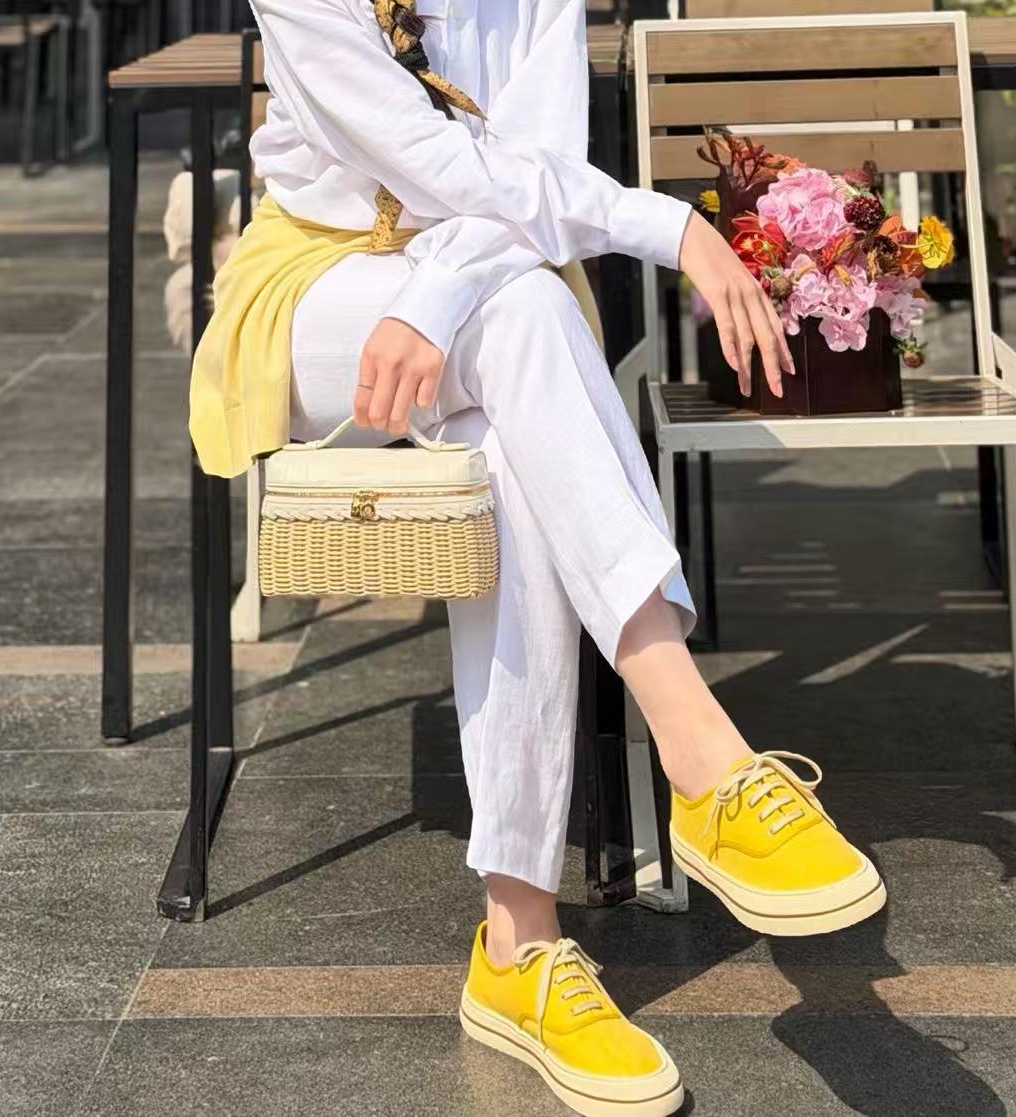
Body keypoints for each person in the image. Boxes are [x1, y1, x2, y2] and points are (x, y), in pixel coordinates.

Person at [190, 2, 886, 1113]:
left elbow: (536, 173)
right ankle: (701, 760)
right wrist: (671, 226)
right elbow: (432, 161)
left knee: (515, 411)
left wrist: (436, 295)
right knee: (524, 317)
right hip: (320, 291)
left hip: (485, 290)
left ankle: (519, 945)